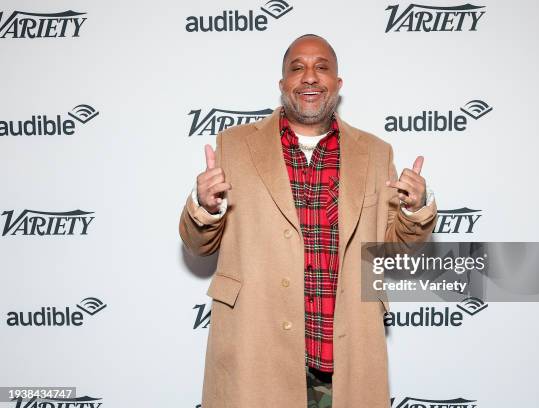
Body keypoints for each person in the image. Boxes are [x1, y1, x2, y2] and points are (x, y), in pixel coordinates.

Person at [179, 34, 437, 408]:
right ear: (282, 84)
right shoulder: (233, 145)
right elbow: (196, 244)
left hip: (345, 354)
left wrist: (415, 209)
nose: (310, 77)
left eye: (322, 67)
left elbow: (394, 246)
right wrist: (205, 205)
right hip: (256, 348)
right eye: (297, 68)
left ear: (338, 84)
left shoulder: (376, 152)